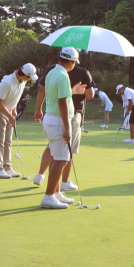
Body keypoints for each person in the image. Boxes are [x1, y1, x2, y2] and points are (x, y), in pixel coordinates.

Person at [37, 48, 88, 209]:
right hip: (58, 120)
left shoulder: (52, 72)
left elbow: (57, 96)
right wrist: (67, 127)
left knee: (55, 156)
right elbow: (62, 104)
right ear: (72, 62)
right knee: (62, 159)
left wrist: (73, 91)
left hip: (50, 119)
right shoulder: (63, 76)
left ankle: (56, 192)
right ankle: (48, 196)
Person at [0, 63, 38, 178]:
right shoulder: (7, 82)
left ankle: (7, 167)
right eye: (30, 77)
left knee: (8, 141)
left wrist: (14, 110)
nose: (30, 79)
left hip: (10, 111)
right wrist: (9, 115)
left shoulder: (23, 81)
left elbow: (16, 97)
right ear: (26, 75)